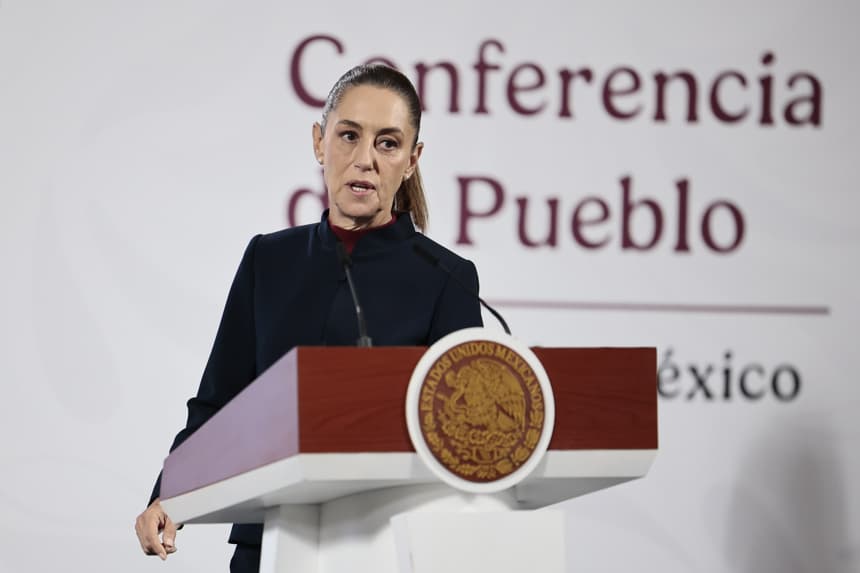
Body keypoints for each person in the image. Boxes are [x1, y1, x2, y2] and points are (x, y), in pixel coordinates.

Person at [134, 64, 484, 572]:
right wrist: (168, 496)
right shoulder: (268, 260)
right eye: (348, 135)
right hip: (268, 545)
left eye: (388, 144)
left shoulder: (446, 278)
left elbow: (461, 439)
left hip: (386, 549)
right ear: (320, 143)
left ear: (412, 160)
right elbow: (218, 402)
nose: (364, 159)